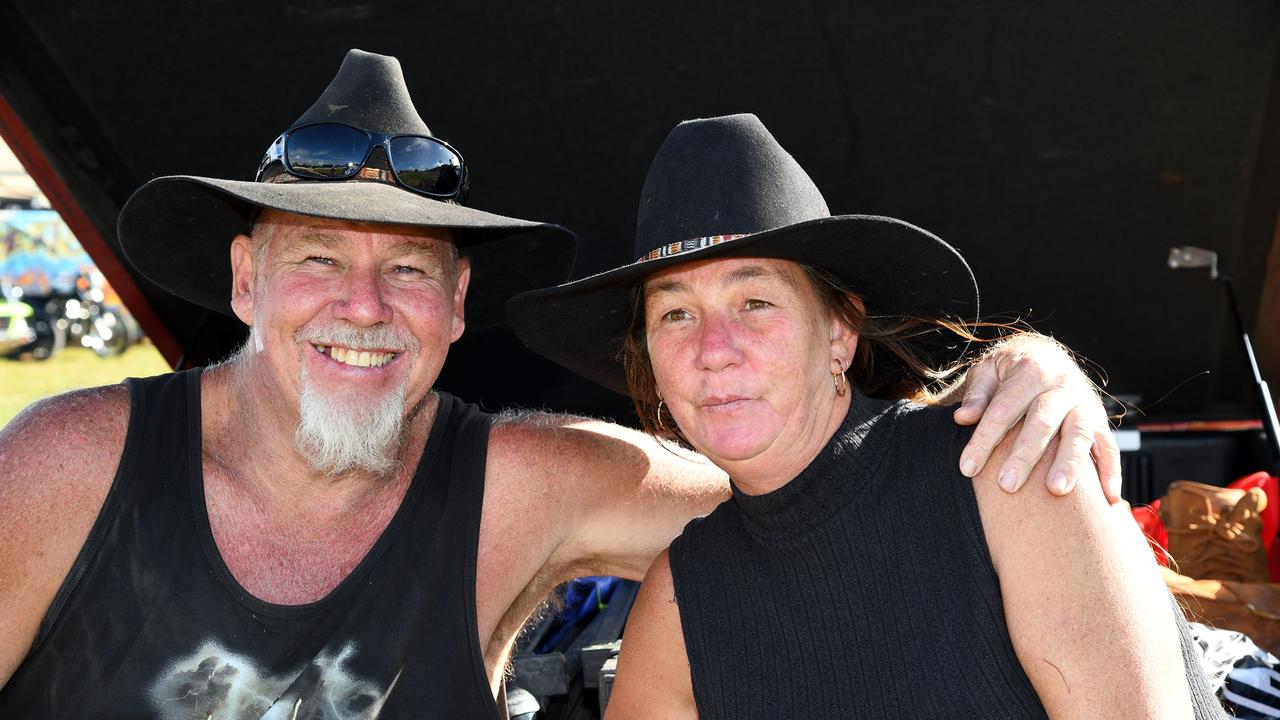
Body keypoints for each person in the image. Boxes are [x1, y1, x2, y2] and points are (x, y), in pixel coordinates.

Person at [0, 52, 1113, 718]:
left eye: (407, 270)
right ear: (245, 279)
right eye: (317, 260)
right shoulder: (66, 466)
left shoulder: (535, 482)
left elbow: (822, 488)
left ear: (456, 303)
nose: (364, 307)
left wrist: (1024, 376)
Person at [507, 114, 1226, 719]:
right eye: (675, 313)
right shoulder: (680, 601)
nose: (713, 351)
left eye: (754, 302)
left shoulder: (1007, 468)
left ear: (841, 332)